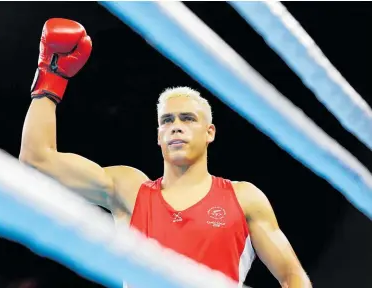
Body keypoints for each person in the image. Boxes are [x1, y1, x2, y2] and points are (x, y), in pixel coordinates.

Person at [20, 18, 312, 287]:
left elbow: (291, 275)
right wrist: (51, 79)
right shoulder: (128, 190)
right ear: (158, 136)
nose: (176, 127)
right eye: (167, 121)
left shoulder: (243, 198)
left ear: (209, 132)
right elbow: (37, 160)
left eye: (188, 119)